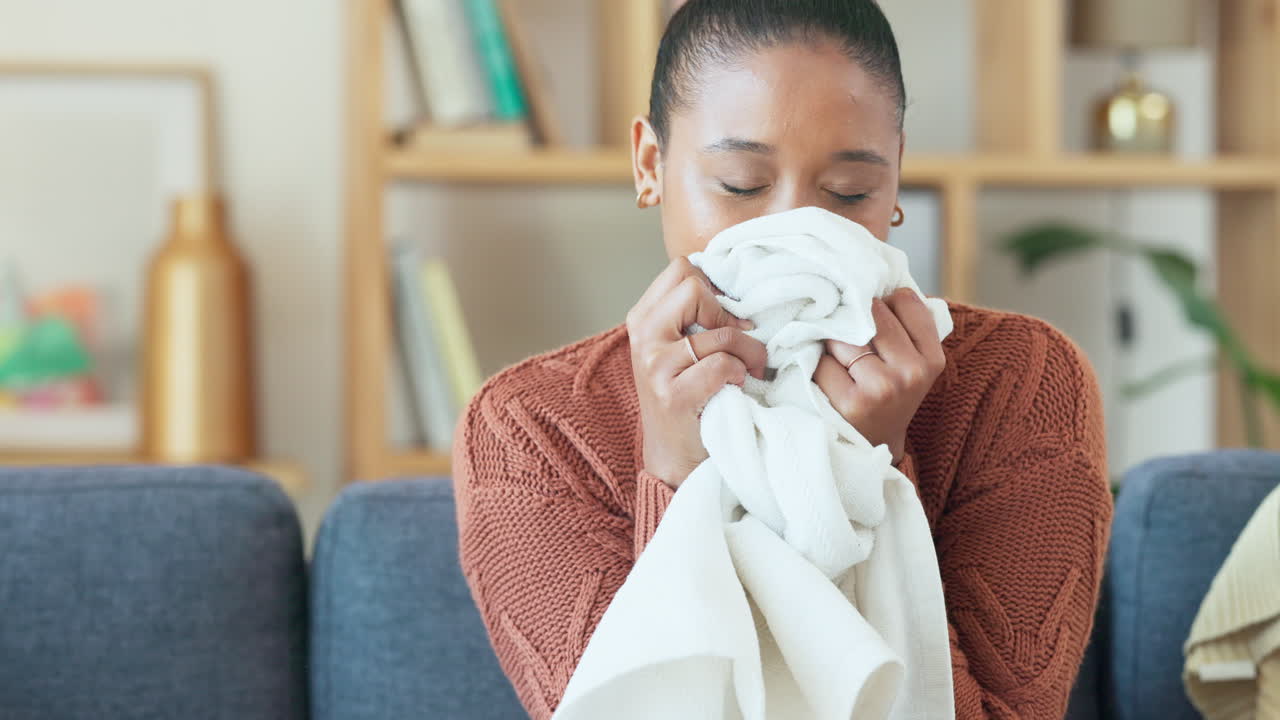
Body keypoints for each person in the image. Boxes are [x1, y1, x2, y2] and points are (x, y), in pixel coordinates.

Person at [452, 1, 1113, 717]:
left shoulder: (1020, 384)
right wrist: (677, 472)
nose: (795, 229)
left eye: (848, 193)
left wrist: (870, 465)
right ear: (650, 165)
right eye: (741, 184)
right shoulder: (529, 430)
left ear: (894, 182)